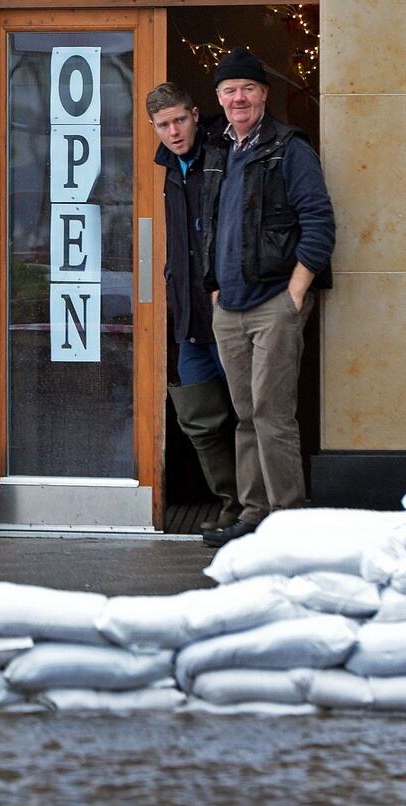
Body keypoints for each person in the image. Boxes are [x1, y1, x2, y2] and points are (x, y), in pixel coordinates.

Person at [199, 47, 336, 548]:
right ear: (219, 97)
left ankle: (287, 518)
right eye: (229, 90)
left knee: (272, 415)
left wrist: (295, 294)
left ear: (264, 95)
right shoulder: (221, 152)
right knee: (244, 416)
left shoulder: (289, 148)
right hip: (229, 307)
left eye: (247, 89)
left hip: (275, 302)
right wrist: (214, 289)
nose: (238, 98)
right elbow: (212, 227)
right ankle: (254, 512)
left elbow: (319, 223)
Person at [146, 83, 241, 532]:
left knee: (249, 414)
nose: (173, 131)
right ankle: (231, 507)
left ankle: (257, 513)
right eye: (163, 125)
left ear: (196, 114)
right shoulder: (168, 168)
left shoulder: (222, 156)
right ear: (153, 128)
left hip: (230, 312)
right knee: (200, 421)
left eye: (180, 120)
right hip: (189, 318)